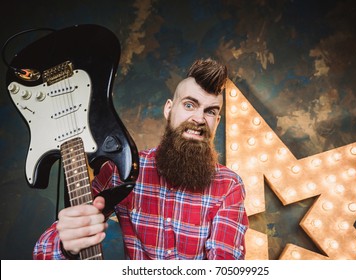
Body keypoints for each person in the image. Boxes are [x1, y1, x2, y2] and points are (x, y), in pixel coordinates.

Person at [33, 58, 249, 260]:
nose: (199, 119)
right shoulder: (122, 170)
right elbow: (42, 252)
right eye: (189, 105)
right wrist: (66, 245)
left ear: (217, 121)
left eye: (210, 112)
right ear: (168, 109)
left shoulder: (229, 185)